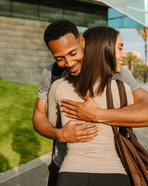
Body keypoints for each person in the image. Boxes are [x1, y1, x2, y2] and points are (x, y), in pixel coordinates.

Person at [32, 20, 148, 186]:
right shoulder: (52, 74)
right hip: (62, 166)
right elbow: (38, 115)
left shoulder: (118, 74)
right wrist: (58, 134)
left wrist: (97, 114)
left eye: (73, 54)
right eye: (60, 58)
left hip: (111, 168)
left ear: (82, 42)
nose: (69, 63)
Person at [48, 26, 133, 185]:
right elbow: (133, 123)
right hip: (114, 173)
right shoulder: (122, 90)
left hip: (70, 174)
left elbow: (50, 123)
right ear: (105, 50)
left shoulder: (58, 86)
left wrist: (61, 133)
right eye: (120, 48)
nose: (124, 54)